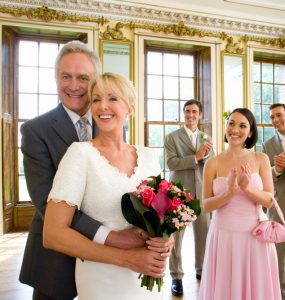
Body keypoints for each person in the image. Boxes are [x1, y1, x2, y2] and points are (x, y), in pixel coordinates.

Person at [19, 41, 171, 300]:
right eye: (66, 76)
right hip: (56, 261)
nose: (75, 86)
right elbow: (47, 202)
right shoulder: (36, 131)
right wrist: (114, 239)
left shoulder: (116, 127)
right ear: (56, 79)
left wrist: (161, 237)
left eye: (83, 78)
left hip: (130, 272)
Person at [199, 108, 281, 300]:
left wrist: (248, 188)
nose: (235, 130)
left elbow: (269, 201)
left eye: (242, 125)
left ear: (250, 132)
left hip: (255, 236)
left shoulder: (261, 159)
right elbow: (206, 206)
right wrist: (229, 192)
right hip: (223, 236)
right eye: (231, 124)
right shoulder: (213, 163)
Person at [164, 99, 214, 296]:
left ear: (200, 115)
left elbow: (210, 165)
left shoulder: (206, 137)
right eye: (187, 111)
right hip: (178, 193)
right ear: (183, 114)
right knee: (175, 238)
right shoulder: (172, 137)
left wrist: (206, 156)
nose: (190, 115)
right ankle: (176, 276)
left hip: (202, 193)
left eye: (194, 111)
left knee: (204, 234)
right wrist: (196, 157)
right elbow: (171, 163)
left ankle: (202, 271)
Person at [263, 103, 285, 299]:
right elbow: (266, 177)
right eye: (272, 117)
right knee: (278, 253)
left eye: (279, 115)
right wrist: (277, 169)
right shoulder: (267, 145)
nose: (276, 120)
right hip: (280, 204)